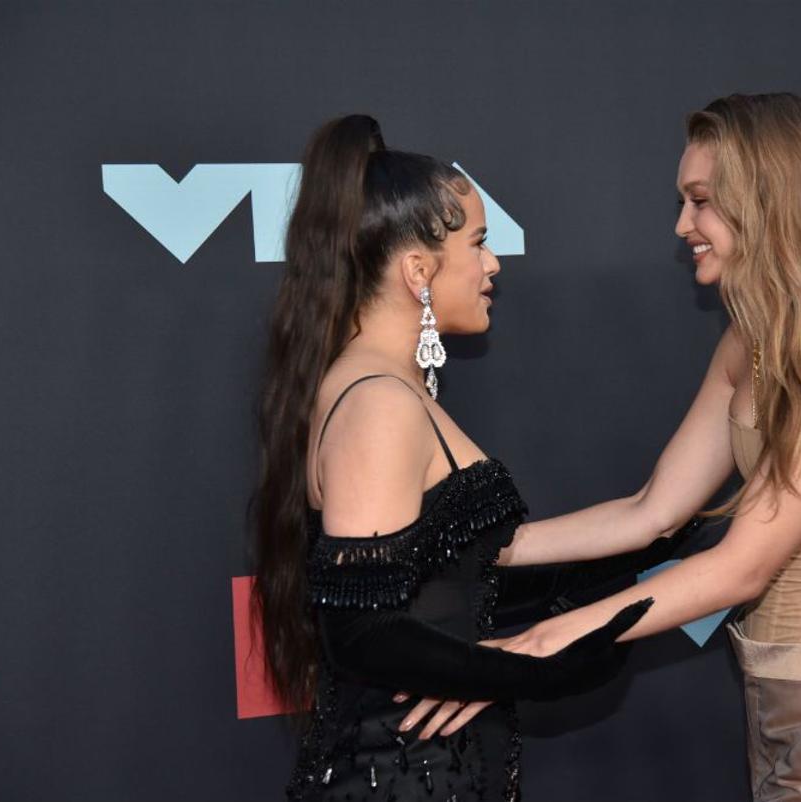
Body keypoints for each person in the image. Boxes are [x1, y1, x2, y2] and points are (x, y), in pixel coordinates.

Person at [406, 92, 801, 802]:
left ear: (771, 200)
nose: (682, 225)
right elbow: (651, 511)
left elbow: (742, 566)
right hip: (780, 695)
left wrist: (537, 644)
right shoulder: (749, 339)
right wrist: (481, 546)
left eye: (700, 201)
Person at [248, 114, 658, 802]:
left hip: (429, 767)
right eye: (479, 243)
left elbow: (453, 580)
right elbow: (362, 632)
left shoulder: (383, 386)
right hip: (397, 776)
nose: (494, 264)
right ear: (418, 271)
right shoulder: (378, 402)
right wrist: (537, 671)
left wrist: (654, 540)